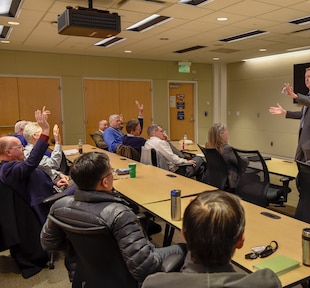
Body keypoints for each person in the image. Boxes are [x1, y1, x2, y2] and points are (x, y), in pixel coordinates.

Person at [40, 151, 186, 286]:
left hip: (85, 272)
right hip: (125, 279)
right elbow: (145, 268)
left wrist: (82, 249)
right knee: (183, 248)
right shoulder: (119, 214)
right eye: (112, 172)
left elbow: (48, 243)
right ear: (105, 182)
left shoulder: (59, 206)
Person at [142, 190, 282, 288]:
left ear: (183, 234)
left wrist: (197, 213)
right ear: (240, 241)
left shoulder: (154, 284)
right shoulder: (267, 283)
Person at [0, 106, 67, 223]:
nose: (23, 149)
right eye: (20, 147)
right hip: (44, 203)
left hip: (50, 190)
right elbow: (31, 164)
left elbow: (30, 179)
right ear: (8, 152)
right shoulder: (6, 169)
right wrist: (45, 131)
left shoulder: (14, 165)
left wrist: (54, 182)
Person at [269, 67, 310, 162]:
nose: (306, 79)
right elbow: (302, 114)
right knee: (298, 164)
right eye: (305, 77)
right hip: (303, 138)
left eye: (309, 76)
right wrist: (285, 113)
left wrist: (295, 96)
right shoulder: (309, 94)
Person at [23, 121, 69, 187]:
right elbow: (54, 164)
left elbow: (45, 168)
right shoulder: (31, 152)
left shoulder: (35, 149)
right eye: (42, 133)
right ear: (35, 136)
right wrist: (58, 142)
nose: (46, 136)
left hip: (54, 178)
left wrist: (59, 174)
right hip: (51, 184)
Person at [206, 123, 248, 189]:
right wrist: (246, 159)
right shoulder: (227, 149)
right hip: (229, 182)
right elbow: (242, 163)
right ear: (220, 135)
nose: (227, 132)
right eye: (226, 131)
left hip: (214, 180)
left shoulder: (208, 147)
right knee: (256, 177)